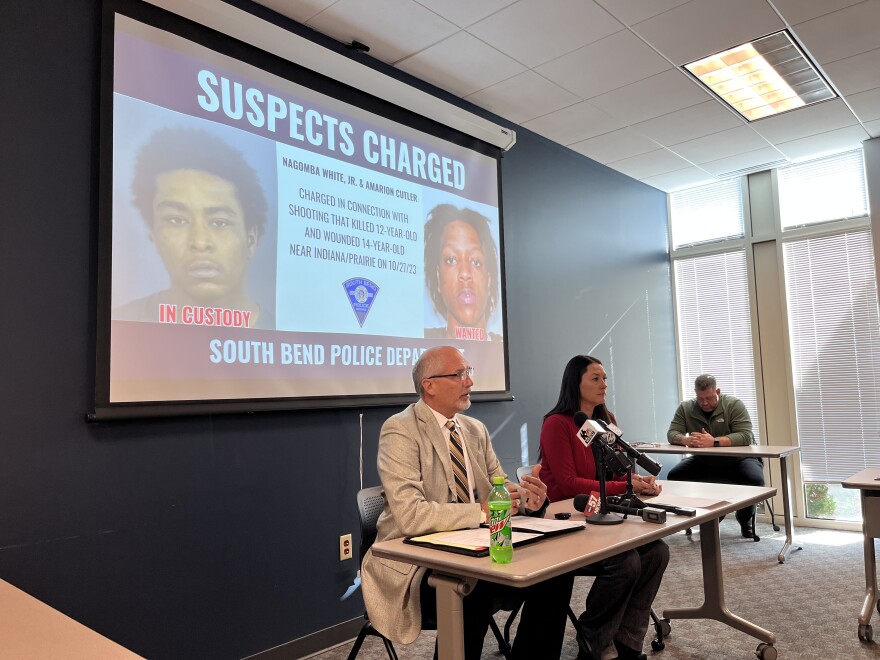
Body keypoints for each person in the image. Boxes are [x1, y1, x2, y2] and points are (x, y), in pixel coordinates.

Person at [361, 346, 573, 659]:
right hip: (416, 562)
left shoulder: (475, 430)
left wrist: (528, 499)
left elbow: (499, 490)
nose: (469, 382)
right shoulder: (400, 430)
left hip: (479, 548)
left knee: (555, 571)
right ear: (429, 385)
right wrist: (481, 512)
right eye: (459, 375)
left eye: (468, 373)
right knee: (472, 588)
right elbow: (410, 515)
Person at [539, 355, 669, 660]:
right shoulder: (556, 424)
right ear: (576, 382)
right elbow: (570, 483)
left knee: (656, 553)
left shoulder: (604, 422)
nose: (604, 385)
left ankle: (627, 641)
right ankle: (595, 641)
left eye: (605, 378)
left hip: (601, 516)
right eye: (595, 378)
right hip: (566, 519)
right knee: (625, 563)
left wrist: (635, 480)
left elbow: (611, 473)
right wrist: (624, 487)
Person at [114, 127, 271, 328]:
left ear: (251, 240)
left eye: (219, 223)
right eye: (176, 220)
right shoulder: (122, 323)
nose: (200, 242)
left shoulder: (289, 333)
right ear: (153, 232)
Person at [666, 374, 765, 538]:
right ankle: (704, 515)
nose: (704, 403)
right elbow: (672, 434)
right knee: (676, 475)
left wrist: (715, 442)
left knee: (754, 480)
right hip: (704, 460)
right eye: (700, 398)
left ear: (717, 391)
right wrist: (685, 439)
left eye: (709, 398)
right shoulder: (686, 408)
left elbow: (745, 436)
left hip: (739, 460)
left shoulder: (733, 405)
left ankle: (744, 517)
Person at [423, 204, 501, 341]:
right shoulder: (423, 341)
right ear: (438, 277)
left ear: (488, 281)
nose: (465, 274)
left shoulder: (504, 346)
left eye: (476, 262)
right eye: (451, 260)